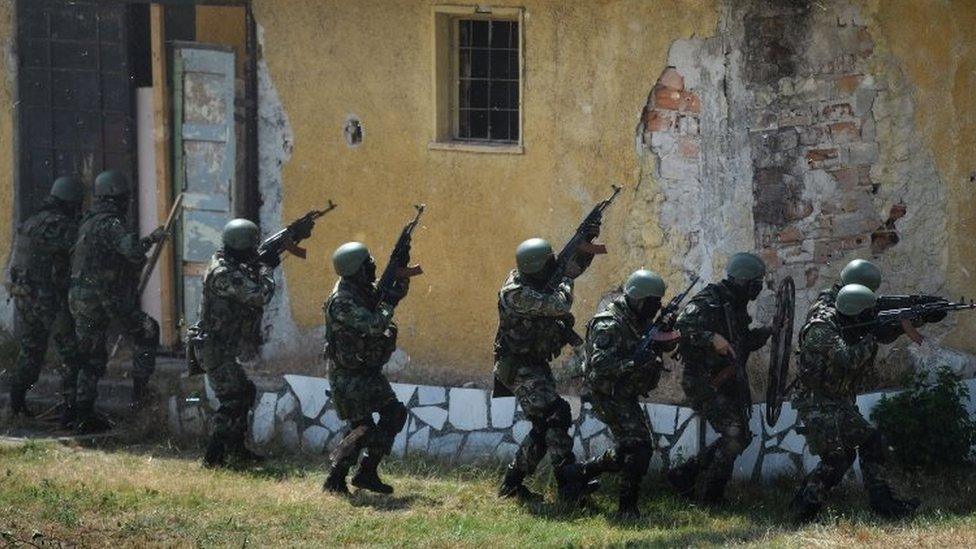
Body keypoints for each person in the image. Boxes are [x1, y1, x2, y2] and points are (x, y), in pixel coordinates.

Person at [792, 283, 918, 522]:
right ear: (855, 312)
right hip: (815, 404)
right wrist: (872, 336)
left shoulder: (846, 325)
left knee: (872, 441)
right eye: (867, 313)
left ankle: (882, 502)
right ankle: (805, 508)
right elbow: (849, 359)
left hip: (837, 402)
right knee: (838, 459)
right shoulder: (822, 329)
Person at [493, 234, 600, 504]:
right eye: (550, 262)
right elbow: (560, 303)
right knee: (556, 414)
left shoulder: (537, 280)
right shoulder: (515, 293)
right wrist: (564, 276)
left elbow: (569, 272)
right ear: (538, 267)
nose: (554, 266)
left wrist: (583, 249)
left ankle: (511, 484)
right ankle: (569, 484)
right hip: (516, 366)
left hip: (533, 364)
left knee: (543, 428)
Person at [667, 252, 771, 504]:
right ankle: (711, 496)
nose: (759, 287)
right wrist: (711, 338)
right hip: (703, 382)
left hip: (726, 380)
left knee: (740, 436)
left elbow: (739, 343)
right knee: (735, 435)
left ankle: (685, 473)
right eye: (756, 282)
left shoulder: (735, 303)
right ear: (745, 281)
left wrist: (767, 332)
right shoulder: (710, 299)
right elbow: (681, 326)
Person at [68, 169, 164, 432]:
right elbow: (130, 251)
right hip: (104, 297)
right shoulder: (111, 222)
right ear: (117, 197)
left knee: (90, 356)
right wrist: (143, 247)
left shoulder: (89, 222)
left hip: (80, 298)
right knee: (147, 330)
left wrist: (150, 240)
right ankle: (140, 399)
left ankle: (81, 413)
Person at [579, 269, 674, 519]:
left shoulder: (637, 317)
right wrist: (634, 362)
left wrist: (666, 333)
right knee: (640, 447)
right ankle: (626, 508)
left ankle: (581, 473)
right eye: (654, 303)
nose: (657, 307)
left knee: (630, 447)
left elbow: (659, 342)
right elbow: (600, 365)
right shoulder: (608, 324)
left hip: (624, 391)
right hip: (606, 392)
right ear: (639, 299)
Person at [322, 242, 410, 495]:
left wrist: (400, 271)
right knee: (361, 429)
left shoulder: (362, 290)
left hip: (368, 371)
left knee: (394, 414)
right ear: (357, 270)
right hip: (347, 376)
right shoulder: (342, 301)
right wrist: (389, 301)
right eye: (368, 264)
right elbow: (374, 324)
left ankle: (367, 472)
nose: (373, 266)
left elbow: (389, 295)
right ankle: (334, 478)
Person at [194, 219, 276, 468]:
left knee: (244, 392)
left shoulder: (231, 263)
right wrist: (268, 269)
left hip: (222, 346)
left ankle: (236, 449)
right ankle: (213, 457)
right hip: (213, 347)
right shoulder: (223, 273)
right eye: (252, 245)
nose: (255, 250)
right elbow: (260, 296)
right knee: (233, 399)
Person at [6, 176, 86, 424]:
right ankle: (70, 411)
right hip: (50, 297)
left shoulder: (31, 222)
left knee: (31, 351)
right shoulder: (61, 225)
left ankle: (15, 404)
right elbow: (78, 252)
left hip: (25, 297)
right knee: (70, 353)